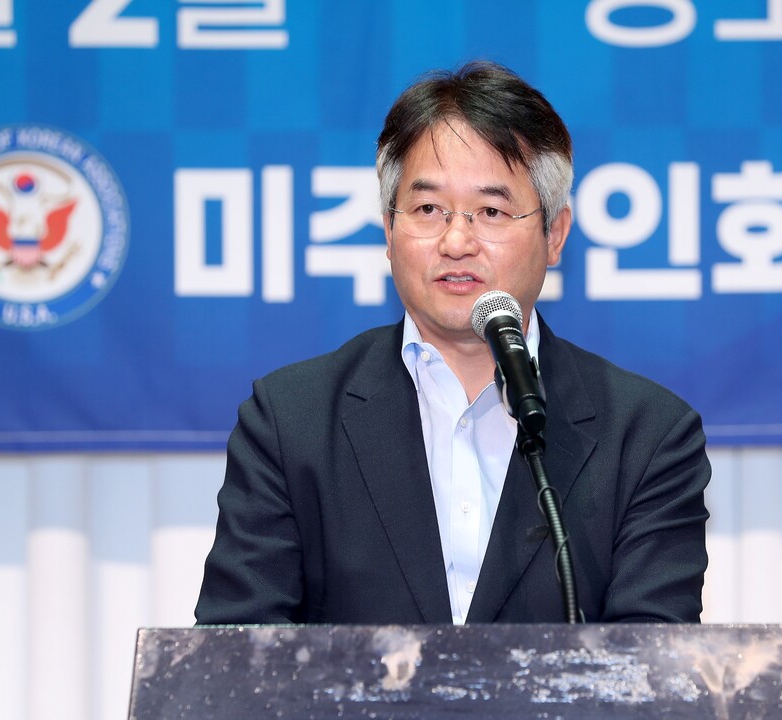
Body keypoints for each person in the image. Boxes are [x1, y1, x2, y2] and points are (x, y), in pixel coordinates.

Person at [195, 61, 710, 626]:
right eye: (427, 209)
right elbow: (234, 651)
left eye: (491, 211)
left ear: (555, 234)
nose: (457, 240)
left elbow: (655, 662)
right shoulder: (290, 421)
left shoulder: (647, 437)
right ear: (389, 230)